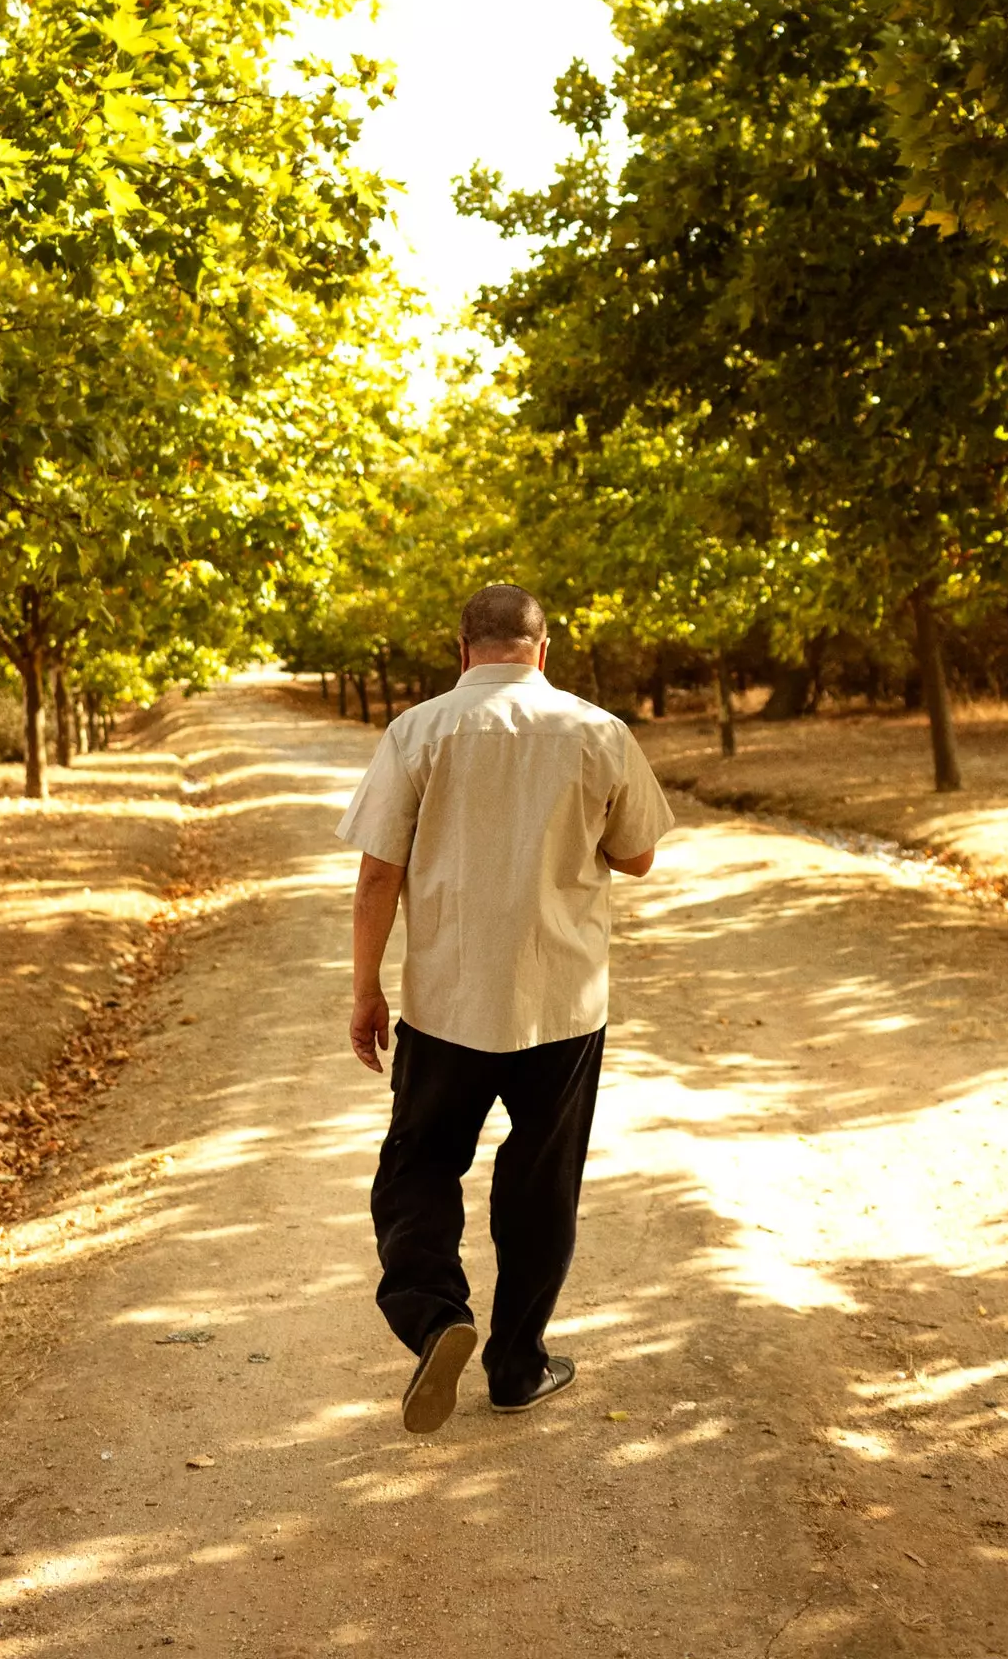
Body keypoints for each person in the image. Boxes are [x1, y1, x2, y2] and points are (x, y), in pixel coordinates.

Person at [337, 582, 675, 1434]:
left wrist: (365, 988)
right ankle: (518, 1368)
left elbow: (379, 873)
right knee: (540, 1184)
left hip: (447, 1002)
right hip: (560, 1006)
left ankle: (434, 1313)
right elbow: (636, 857)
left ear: (462, 651)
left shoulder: (416, 731)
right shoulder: (599, 732)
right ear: (543, 650)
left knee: (417, 1169)